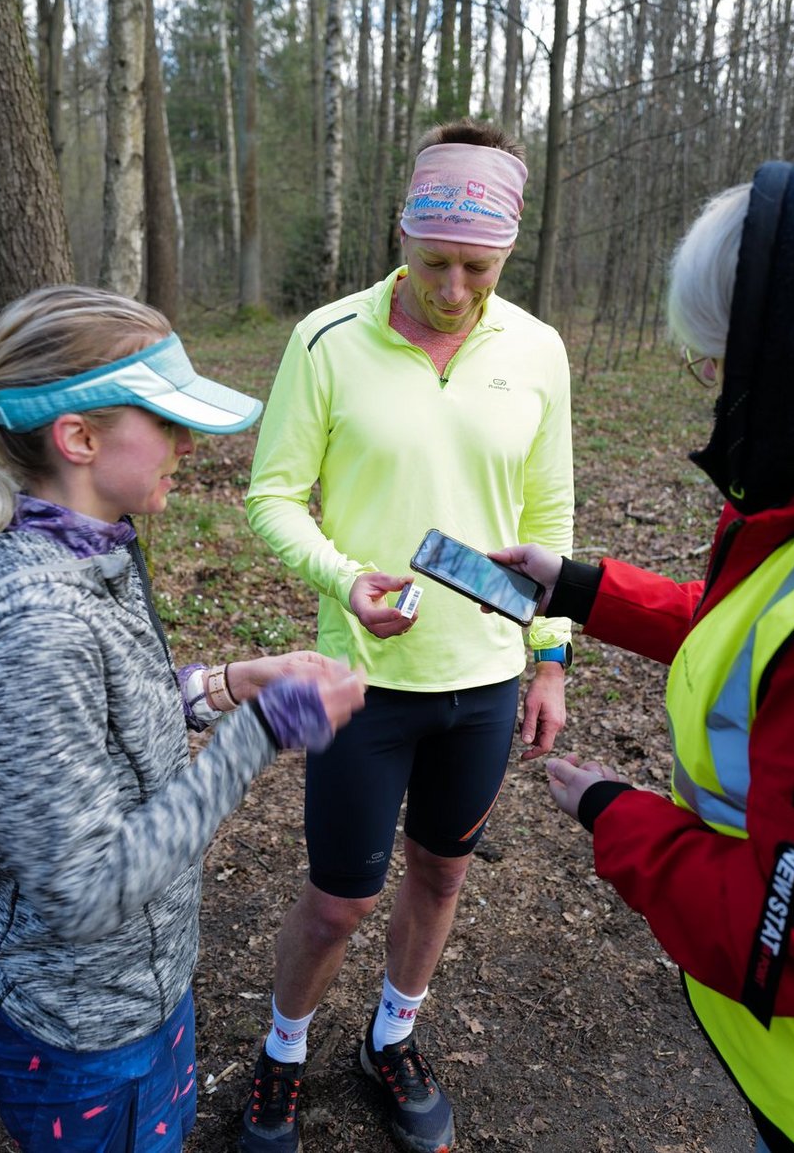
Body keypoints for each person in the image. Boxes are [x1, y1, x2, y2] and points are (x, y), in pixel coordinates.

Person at [0, 285, 365, 1153]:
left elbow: (101, 724)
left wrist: (225, 683)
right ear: (79, 438)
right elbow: (85, 891)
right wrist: (260, 733)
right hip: (85, 1040)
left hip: (150, 993)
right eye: (167, 422)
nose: (188, 446)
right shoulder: (36, 621)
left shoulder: (91, 553)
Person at [241, 119, 574, 1152]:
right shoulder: (326, 339)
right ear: (402, 235)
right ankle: (282, 1052)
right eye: (435, 262)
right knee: (338, 900)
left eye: (478, 267)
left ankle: (390, 1039)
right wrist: (346, 581)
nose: (456, 287)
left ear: (506, 253)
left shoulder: (537, 350)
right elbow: (272, 497)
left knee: (440, 876)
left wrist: (550, 657)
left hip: (481, 676)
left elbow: (550, 522)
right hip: (361, 681)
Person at [491, 157, 794, 1153]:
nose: (711, 390)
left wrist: (613, 816)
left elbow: (791, 948)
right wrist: (584, 589)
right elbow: (742, 638)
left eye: (721, 360)